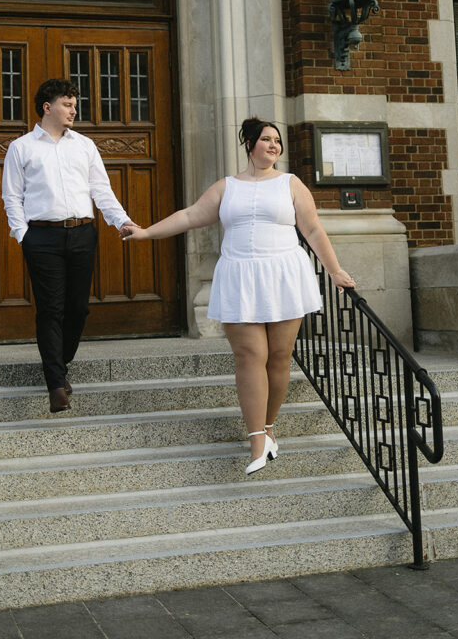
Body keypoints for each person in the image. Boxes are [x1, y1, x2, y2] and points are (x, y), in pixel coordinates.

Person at [123, 117, 356, 474]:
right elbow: (190, 215)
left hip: (283, 275)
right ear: (250, 145)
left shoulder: (292, 184)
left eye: (277, 141)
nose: (273, 146)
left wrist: (335, 270)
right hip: (239, 276)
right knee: (251, 354)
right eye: (266, 139)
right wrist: (145, 233)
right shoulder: (227, 186)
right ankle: (256, 442)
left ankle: (268, 427)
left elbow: (312, 229)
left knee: (278, 357)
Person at [2, 78, 137, 413]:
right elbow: (11, 197)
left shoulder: (84, 146)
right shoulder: (22, 148)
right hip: (42, 237)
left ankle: (59, 367)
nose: (73, 110)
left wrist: (121, 221)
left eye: (74, 104)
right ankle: (56, 385)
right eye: (67, 103)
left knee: (78, 308)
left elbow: (101, 190)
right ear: (47, 107)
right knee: (49, 308)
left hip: (82, 234)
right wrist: (24, 236)